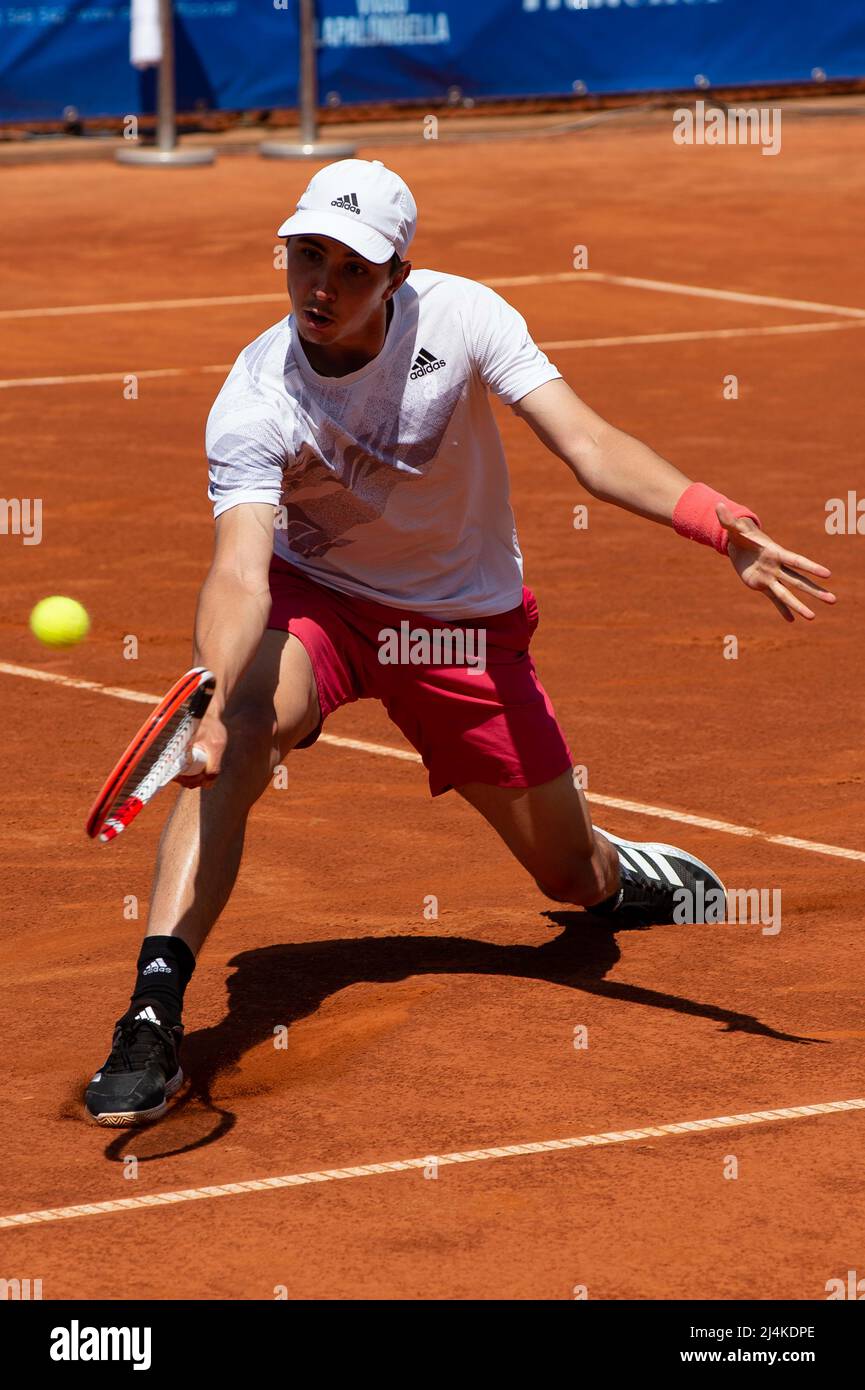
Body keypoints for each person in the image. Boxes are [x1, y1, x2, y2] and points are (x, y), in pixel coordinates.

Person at [85, 159, 835, 1126]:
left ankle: (615, 869)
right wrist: (209, 695)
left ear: (397, 275)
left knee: (568, 878)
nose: (321, 285)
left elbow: (588, 444)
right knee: (232, 735)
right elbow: (239, 569)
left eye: (351, 269)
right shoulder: (253, 397)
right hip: (329, 611)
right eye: (305, 256)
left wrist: (713, 521)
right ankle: (153, 1010)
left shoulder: (466, 316)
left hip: (462, 632)